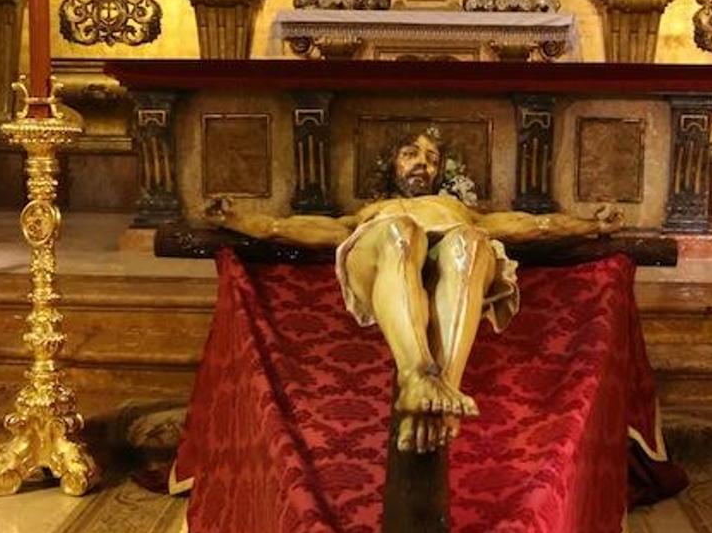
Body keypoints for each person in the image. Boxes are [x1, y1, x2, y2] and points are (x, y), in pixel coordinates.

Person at [210, 128, 621, 454]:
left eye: (431, 158)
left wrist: (592, 223)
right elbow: (284, 228)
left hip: (451, 253)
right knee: (401, 232)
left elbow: (537, 225)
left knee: (471, 243)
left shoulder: (459, 211)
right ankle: (417, 372)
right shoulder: (369, 212)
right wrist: (239, 219)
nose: (422, 163)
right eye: (411, 153)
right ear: (391, 165)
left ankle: (440, 388)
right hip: (380, 249)